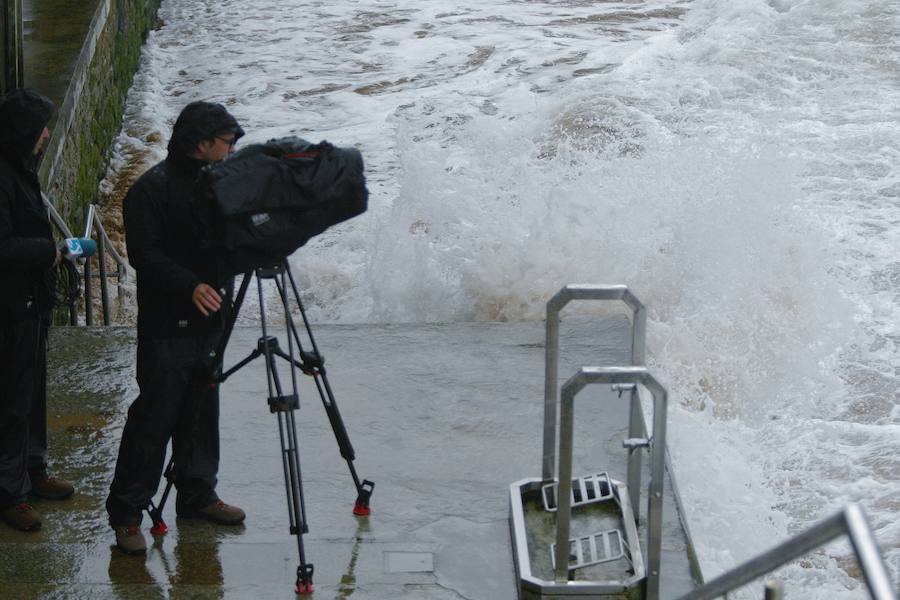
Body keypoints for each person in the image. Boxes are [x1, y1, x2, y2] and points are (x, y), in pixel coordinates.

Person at [105, 101, 246, 556]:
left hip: (210, 319)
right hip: (167, 324)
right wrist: (191, 286)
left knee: (203, 409)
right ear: (200, 143)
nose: (231, 151)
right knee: (155, 417)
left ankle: (197, 493)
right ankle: (127, 513)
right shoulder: (150, 191)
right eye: (226, 143)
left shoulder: (218, 184)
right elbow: (145, 257)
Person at [0, 88, 76, 532]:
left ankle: (33, 469)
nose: (48, 133)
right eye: (41, 127)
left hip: (31, 300)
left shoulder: (19, 168)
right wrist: (51, 251)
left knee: (32, 392)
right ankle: (11, 493)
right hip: (11, 305)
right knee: (12, 397)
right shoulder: (5, 176)